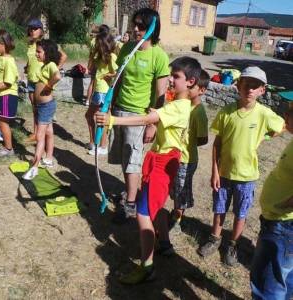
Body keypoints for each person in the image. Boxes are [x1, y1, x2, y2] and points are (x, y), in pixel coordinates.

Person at [96, 56, 201, 284]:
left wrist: (112, 120)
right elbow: (160, 116)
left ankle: (147, 266)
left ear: (191, 82)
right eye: (171, 75)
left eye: (176, 77)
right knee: (157, 206)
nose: (170, 80)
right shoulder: (179, 104)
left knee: (143, 214)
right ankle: (164, 244)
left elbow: (148, 119)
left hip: (163, 165)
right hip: (163, 161)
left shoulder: (178, 107)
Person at [197, 66, 285, 267]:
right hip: (224, 173)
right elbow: (217, 143)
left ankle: (233, 245)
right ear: (238, 86)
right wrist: (215, 171)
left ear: (262, 90)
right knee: (219, 209)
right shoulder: (227, 111)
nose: (250, 89)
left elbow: (281, 126)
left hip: (247, 177)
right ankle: (214, 239)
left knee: (241, 212)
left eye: (255, 86)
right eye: (246, 84)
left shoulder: (264, 113)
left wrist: (264, 135)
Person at [109, 7, 170, 224]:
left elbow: (161, 95)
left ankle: (131, 204)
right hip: (119, 111)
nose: (135, 29)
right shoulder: (127, 49)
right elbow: (118, 80)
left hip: (139, 116)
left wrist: (153, 125)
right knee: (123, 157)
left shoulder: (159, 56)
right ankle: (129, 192)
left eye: (141, 26)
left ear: (152, 28)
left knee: (133, 160)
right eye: (134, 24)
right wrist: (109, 105)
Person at [250, 106, 293, 299]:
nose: (286, 115)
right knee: (285, 278)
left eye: (291, 112)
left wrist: (283, 205)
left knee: (268, 283)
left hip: (282, 225)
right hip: (281, 223)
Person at [169, 70, 210, 237]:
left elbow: (203, 139)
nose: (188, 89)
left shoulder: (199, 112)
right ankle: (174, 213)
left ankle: (177, 220)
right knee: (175, 187)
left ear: (201, 90)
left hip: (187, 158)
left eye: (192, 87)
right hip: (175, 156)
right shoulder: (182, 106)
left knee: (182, 191)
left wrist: (187, 142)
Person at [22, 39, 61, 180]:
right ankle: (49, 158)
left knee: (40, 136)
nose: (36, 54)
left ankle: (34, 167)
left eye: (39, 52)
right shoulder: (44, 65)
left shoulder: (50, 64)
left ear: (48, 53)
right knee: (48, 131)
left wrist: (49, 85)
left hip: (46, 106)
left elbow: (58, 75)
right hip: (43, 105)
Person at [24, 19, 66, 143]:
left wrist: (54, 70)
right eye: (31, 28)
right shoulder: (31, 44)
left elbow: (63, 56)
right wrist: (27, 66)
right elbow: (31, 58)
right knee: (34, 108)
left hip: (41, 82)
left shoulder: (46, 44)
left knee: (41, 108)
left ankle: (41, 134)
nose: (32, 31)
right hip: (31, 80)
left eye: (35, 28)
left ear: (41, 30)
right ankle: (36, 132)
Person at [85, 27, 118, 155]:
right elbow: (93, 69)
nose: (96, 45)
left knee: (100, 118)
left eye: (98, 43)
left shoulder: (112, 57)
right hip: (97, 90)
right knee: (90, 116)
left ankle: (102, 146)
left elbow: (116, 72)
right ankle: (94, 142)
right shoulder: (99, 56)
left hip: (103, 91)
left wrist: (107, 76)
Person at [0, 30, 19, 157]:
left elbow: (7, 83)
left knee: (3, 122)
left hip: (7, 95)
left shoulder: (9, 61)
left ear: (4, 44)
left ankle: (9, 149)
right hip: (0, 95)